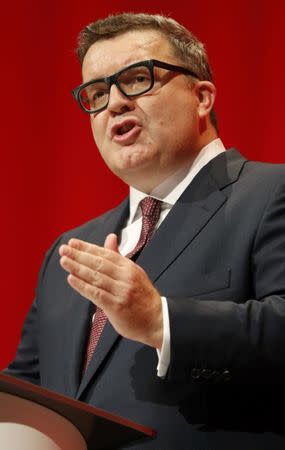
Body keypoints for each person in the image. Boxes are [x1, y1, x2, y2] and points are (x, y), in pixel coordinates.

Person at [5, 12, 285, 450]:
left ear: (202, 97)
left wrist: (160, 321)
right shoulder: (72, 250)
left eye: (137, 79)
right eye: (96, 92)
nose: (113, 102)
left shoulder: (270, 193)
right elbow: (27, 389)